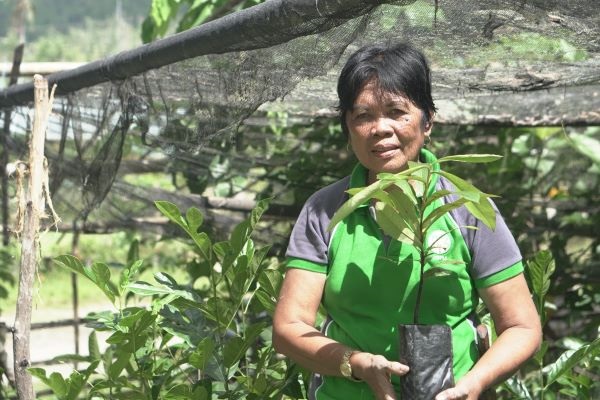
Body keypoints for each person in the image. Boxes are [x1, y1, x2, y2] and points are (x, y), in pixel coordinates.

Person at [272, 42, 541, 400]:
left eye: (396, 111)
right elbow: (289, 327)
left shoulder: (467, 208)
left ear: (427, 120)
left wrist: (474, 384)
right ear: (347, 127)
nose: (379, 128)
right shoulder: (326, 211)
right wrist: (358, 363)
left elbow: (522, 326)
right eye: (362, 116)